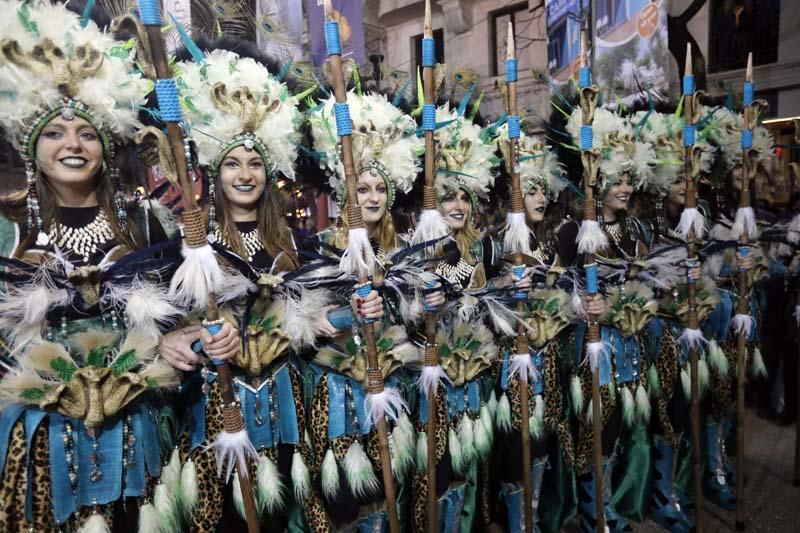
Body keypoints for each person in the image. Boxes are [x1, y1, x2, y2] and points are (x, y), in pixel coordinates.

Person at [0, 2, 181, 529]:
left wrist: (177, 339)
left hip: (139, 432)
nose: (72, 145)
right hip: (38, 440)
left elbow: (179, 317)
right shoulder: (7, 231)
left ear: (105, 144)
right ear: (32, 147)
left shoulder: (150, 224)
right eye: (55, 133)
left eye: (86, 133)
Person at [307, 90, 424, 531]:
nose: (372, 197)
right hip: (338, 393)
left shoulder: (404, 251)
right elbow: (308, 326)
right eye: (363, 188)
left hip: (391, 383)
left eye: (380, 189)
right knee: (347, 502)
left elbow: (413, 321)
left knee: (389, 492)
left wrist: (425, 300)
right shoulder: (320, 248)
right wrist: (346, 315)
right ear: (347, 192)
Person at [561, 105, 658, 531]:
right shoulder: (572, 231)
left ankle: (612, 504)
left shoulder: (637, 232)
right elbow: (554, 292)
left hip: (629, 347)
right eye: (616, 179)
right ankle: (592, 513)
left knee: (620, 429)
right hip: (590, 349)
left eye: (627, 179)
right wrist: (581, 306)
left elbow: (649, 287)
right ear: (594, 182)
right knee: (594, 432)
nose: (624, 187)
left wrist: (622, 306)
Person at [490, 123, 576, 532]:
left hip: (548, 364)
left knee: (541, 445)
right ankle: (516, 523)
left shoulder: (551, 243)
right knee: (515, 449)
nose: (540, 197)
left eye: (544, 189)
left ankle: (535, 518)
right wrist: (505, 286)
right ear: (513, 194)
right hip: (510, 366)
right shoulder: (493, 244)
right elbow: (473, 300)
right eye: (531, 189)